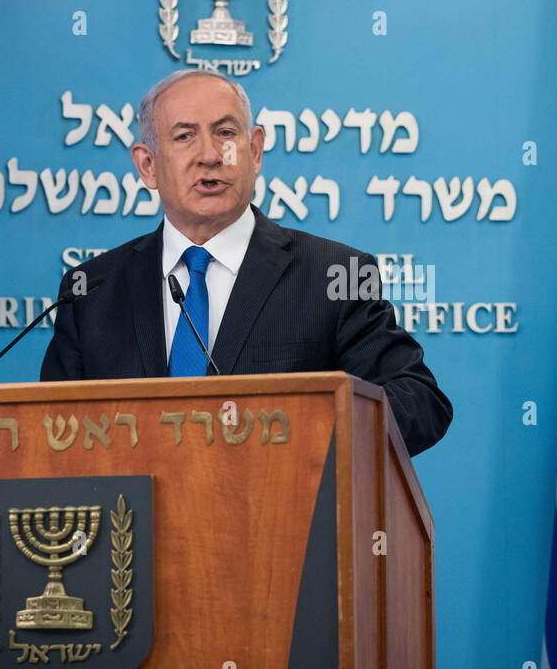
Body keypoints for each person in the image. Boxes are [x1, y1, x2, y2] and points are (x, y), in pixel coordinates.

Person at [40, 69, 452, 456]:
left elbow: (417, 400)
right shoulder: (91, 290)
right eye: (184, 136)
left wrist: (298, 440)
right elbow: (53, 432)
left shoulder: (336, 274)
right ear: (148, 165)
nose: (210, 155)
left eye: (225, 133)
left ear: (254, 151)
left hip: (285, 520)